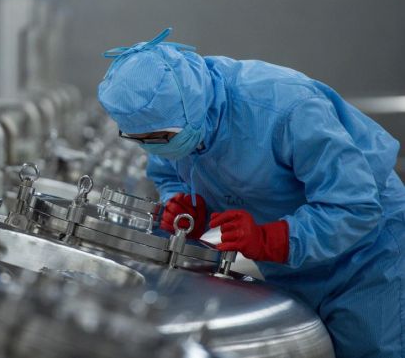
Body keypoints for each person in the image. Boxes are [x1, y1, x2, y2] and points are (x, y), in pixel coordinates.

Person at [97, 28, 405, 358]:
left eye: (160, 138)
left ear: (192, 109)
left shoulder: (286, 109)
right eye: (140, 139)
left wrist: (272, 239)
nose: (153, 147)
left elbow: (356, 205)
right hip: (289, 265)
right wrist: (183, 202)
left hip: (365, 257)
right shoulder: (168, 122)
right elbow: (168, 172)